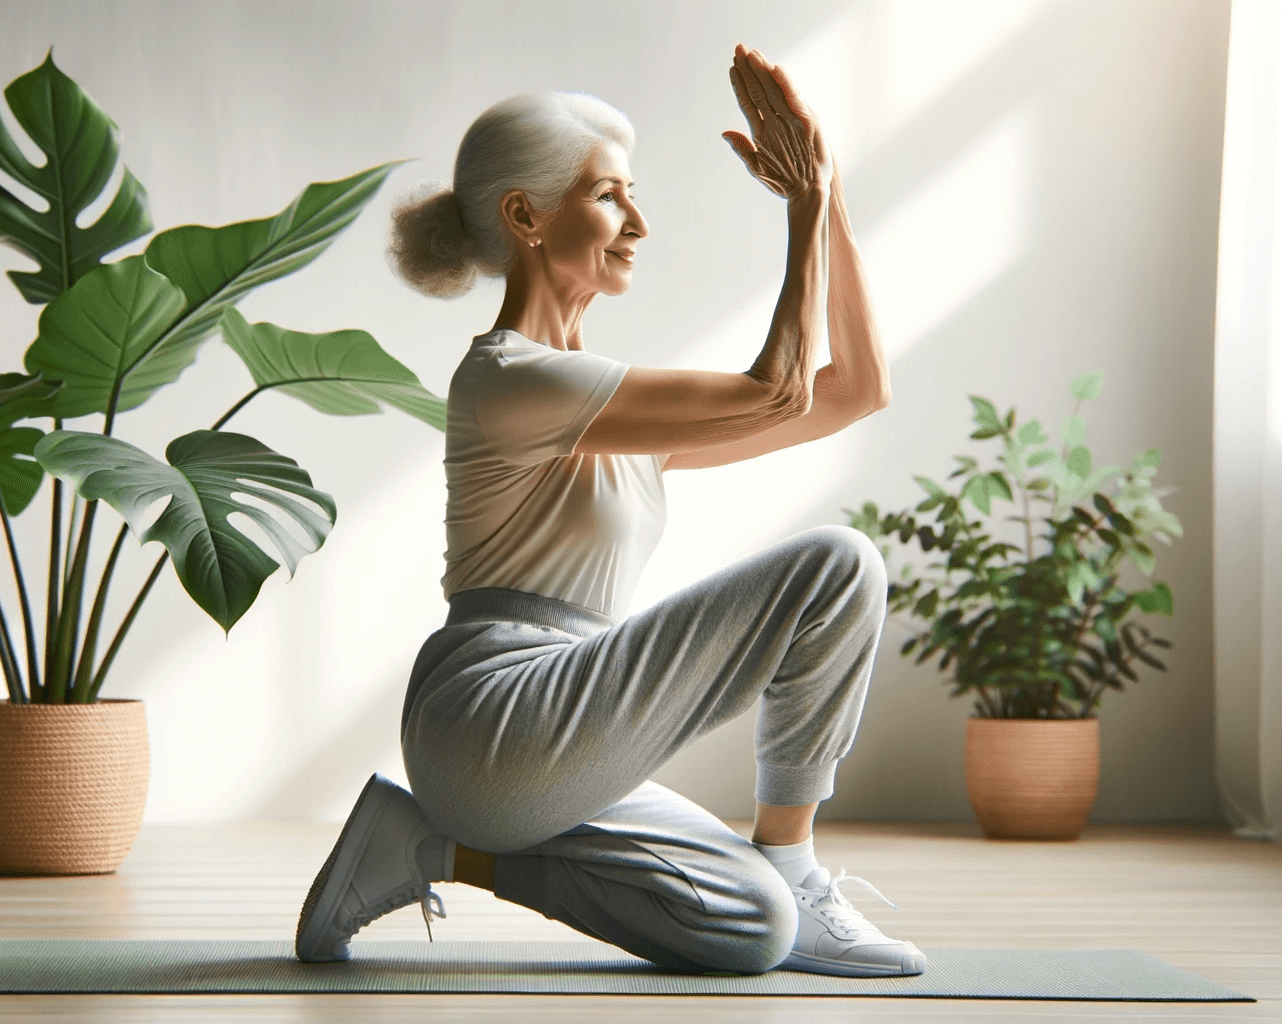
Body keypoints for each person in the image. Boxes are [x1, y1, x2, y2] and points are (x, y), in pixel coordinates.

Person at [294, 44, 917, 977]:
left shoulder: (611, 413)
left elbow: (853, 390)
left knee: (751, 925)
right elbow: (782, 390)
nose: (639, 222)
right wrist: (798, 204)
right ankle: (793, 857)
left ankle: (436, 846)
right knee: (839, 565)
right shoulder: (508, 380)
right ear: (526, 217)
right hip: (494, 712)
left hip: (553, 730)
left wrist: (827, 199)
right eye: (610, 195)